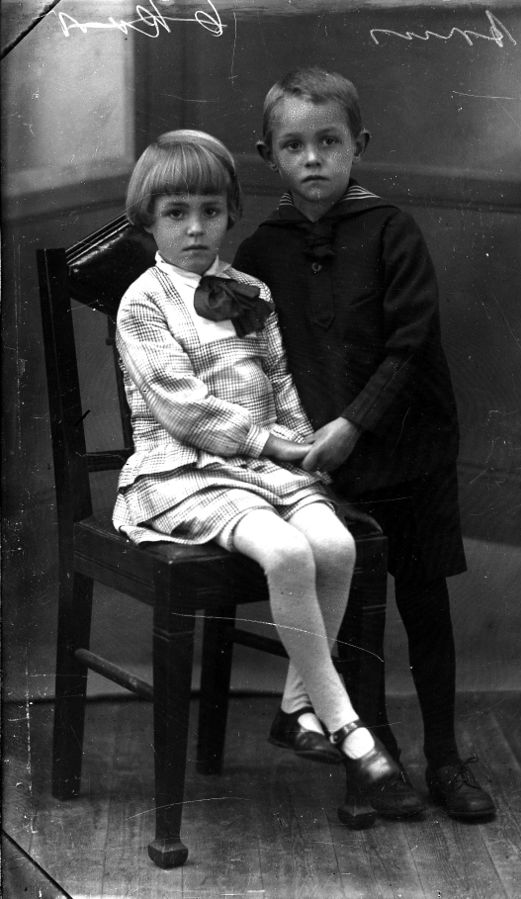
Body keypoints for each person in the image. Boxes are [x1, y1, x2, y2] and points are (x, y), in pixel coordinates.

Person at [112, 128, 401, 819]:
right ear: (148, 219)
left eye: (210, 211)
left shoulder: (249, 291)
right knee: (286, 550)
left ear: (230, 213)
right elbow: (185, 411)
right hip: (185, 470)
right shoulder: (142, 304)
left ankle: (295, 707)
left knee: (335, 544)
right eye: (176, 213)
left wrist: (300, 445)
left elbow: (281, 383)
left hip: (266, 463)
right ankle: (347, 727)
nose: (195, 228)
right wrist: (276, 445)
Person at [233, 68, 496, 826]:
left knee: (424, 601)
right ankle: (375, 760)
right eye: (293, 146)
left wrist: (352, 424)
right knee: (354, 615)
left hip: (410, 450)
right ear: (268, 156)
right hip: (328, 466)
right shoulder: (261, 251)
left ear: (359, 145)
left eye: (329, 141)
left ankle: (445, 756)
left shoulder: (391, 230)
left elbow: (410, 345)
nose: (312, 158)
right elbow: (251, 359)